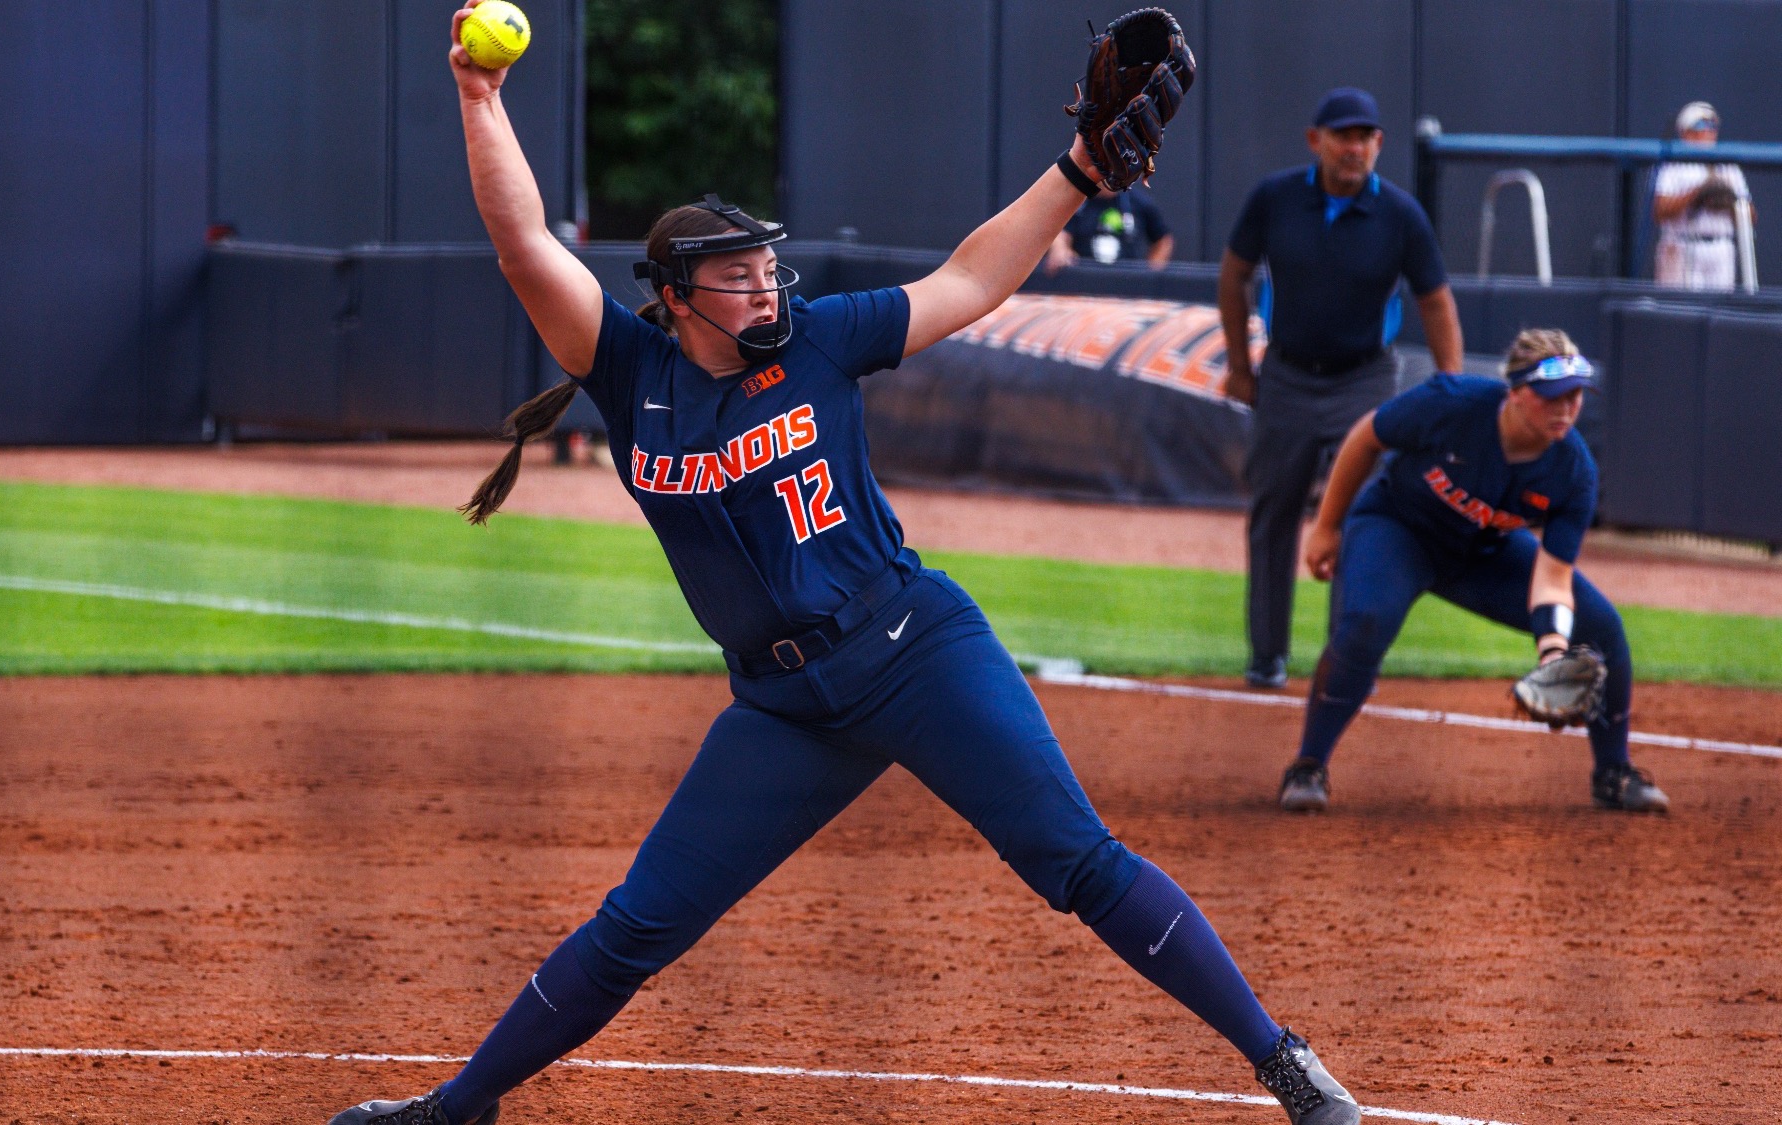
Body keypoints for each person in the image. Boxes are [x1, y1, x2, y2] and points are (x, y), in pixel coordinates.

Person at [326, 6, 1361, 1124]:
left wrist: (1071, 172)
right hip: (781, 709)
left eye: (766, 267)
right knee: (637, 925)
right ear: (675, 299)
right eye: (737, 276)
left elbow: (967, 280)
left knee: (1076, 863)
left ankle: (1283, 1063)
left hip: (911, 649)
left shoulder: (821, 336)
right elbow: (526, 244)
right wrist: (480, 100)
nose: (766, 287)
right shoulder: (632, 374)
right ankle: (460, 1106)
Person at [1273, 329, 1670, 816]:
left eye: (1576, 396)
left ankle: (1613, 772)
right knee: (1367, 621)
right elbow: (1365, 437)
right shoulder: (1451, 403)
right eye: (1553, 396)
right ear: (1517, 392)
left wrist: (1552, 652)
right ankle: (1308, 766)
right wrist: (1327, 526)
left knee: (1602, 626)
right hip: (1399, 529)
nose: (1567, 408)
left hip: (1482, 553)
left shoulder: (1573, 471)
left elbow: (1552, 577)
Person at [1219, 86, 1464, 691]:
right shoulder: (1274, 199)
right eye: (1343, 136)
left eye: (1366, 137)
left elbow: (1436, 303)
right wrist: (1239, 364)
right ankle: (1267, 654)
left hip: (1365, 377)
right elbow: (1233, 276)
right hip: (1287, 373)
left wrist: (1451, 388)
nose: (1354, 148)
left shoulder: (1400, 214)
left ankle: (1344, 656)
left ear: (1379, 145)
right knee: (1274, 508)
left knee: (1361, 514)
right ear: (1316, 141)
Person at [1653, 101, 1757, 292]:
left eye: (1712, 126)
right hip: (1684, 245)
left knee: (1718, 311)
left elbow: (1750, 216)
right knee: (1681, 313)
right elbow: (1660, 212)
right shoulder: (1672, 164)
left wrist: (1730, 201)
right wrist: (1696, 194)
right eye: (1701, 125)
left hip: (1720, 247)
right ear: (1684, 131)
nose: (1708, 131)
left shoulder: (1727, 166)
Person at [1043, 183, 1174, 272]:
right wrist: (1061, 249)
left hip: (1127, 282)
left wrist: (1151, 272)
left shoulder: (1139, 202)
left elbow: (1163, 239)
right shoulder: (1078, 200)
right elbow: (1061, 233)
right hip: (1085, 279)